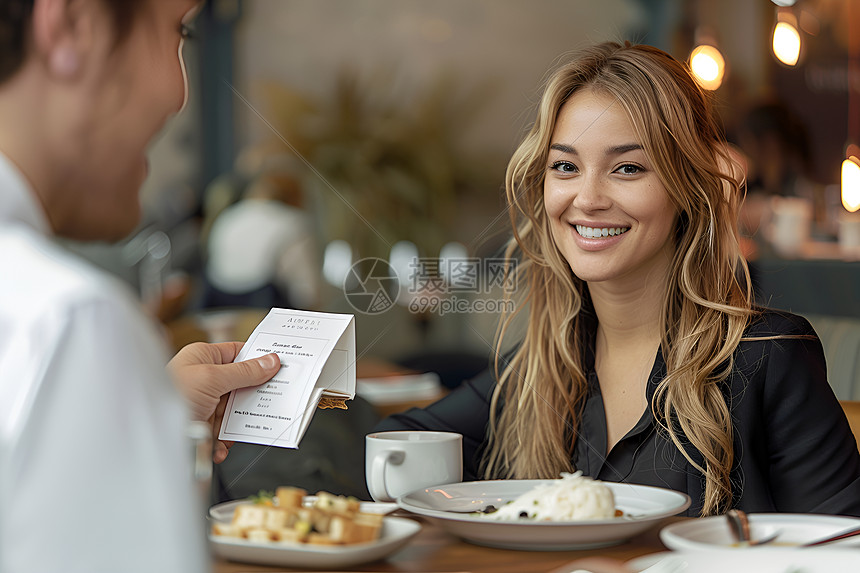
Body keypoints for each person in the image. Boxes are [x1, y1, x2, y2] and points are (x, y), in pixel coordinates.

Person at [375, 41, 860, 517]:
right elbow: (387, 448)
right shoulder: (540, 371)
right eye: (565, 166)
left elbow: (843, 550)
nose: (587, 198)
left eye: (627, 168)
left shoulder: (770, 355)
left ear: (686, 189)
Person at [0, 1, 280, 571]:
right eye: (179, 32)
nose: (179, 93)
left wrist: (143, 424)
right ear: (74, 24)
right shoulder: (70, 320)